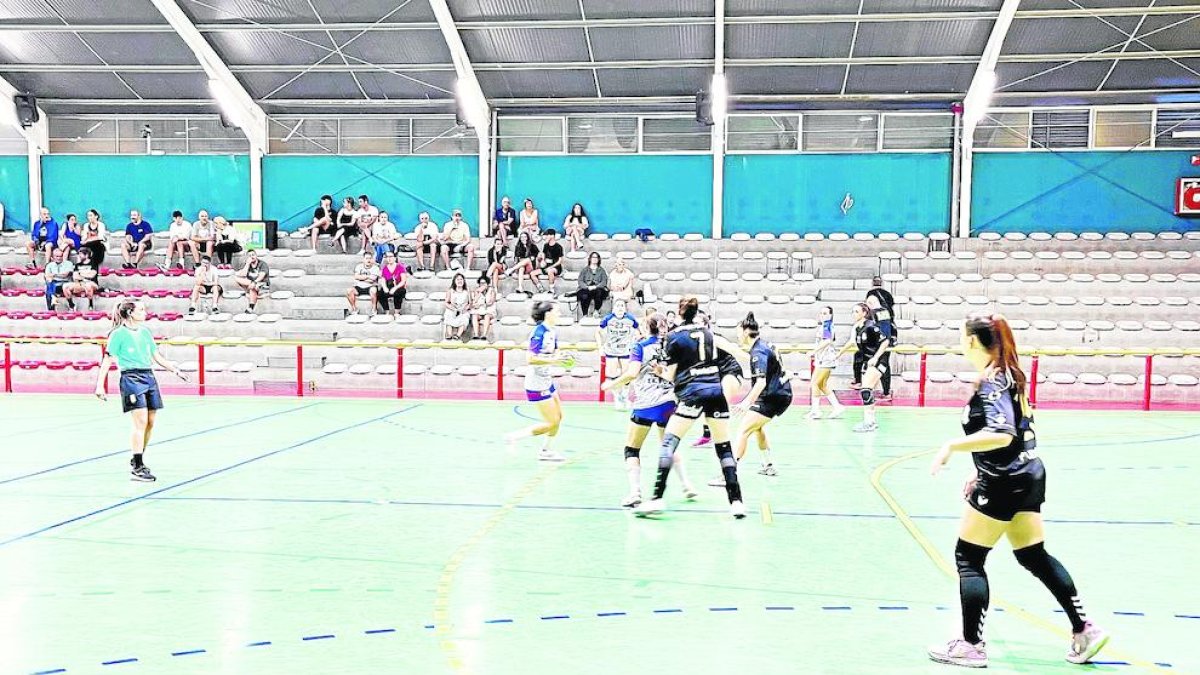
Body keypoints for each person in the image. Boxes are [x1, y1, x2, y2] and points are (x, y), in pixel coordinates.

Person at [927, 313, 1108, 669]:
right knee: (1032, 555)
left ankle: (970, 646)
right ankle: (1085, 629)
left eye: (962, 336)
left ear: (972, 341)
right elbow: (1013, 436)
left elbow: (1002, 433)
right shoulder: (1010, 375)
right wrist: (978, 468)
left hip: (1004, 482)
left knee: (969, 558)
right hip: (1027, 475)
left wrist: (951, 447)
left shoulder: (991, 381)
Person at [634, 297, 748, 519]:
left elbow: (670, 375)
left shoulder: (674, 337)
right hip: (715, 390)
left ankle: (656, 498)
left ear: (679, 313)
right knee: (724, 447)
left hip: (692, 393)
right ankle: (736, 502)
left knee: (668, 442)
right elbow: (731, 350)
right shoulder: (708, 333)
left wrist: (658, 370)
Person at [603, 315, 697, 508]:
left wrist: (611, 384)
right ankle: (686, 485)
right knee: (668, 445)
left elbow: (632, 373)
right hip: (668, 402)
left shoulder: (639, 346)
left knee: (632, 449)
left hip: (645, 404)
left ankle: (635, 492)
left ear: (646, 328)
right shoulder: (670, 346)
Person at [95, 299, 187, 482]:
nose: (145, 313)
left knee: (150, 422)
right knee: (140, 421)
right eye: (141, 310)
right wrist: (100, 385)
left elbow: (156, 356)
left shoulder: (145, 332)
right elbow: (107, 360)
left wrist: (175, 370)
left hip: (148, 377)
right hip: (131, 378)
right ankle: (138, 466)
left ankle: (137, 455)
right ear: (130, 313)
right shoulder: (118, 334)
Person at [506, 301, 574, 462]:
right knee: (551, 422)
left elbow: (555, 353)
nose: (559, 314)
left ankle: (546, 450)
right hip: (536, 383)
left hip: (547, 380)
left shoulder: (552, 332)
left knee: (559, 417)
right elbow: (531, 359)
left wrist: (564, 358)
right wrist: (554, 360)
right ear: (548, 314)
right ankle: (514, 437)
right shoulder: (539, 332)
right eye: (557, 311)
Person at [730, 312, 792, 477]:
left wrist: (745, 404)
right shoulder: (765, 345)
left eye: (738, 331)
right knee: (757, 427)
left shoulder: (758, 352)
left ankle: (729, 474)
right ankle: (768, 465)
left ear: (745, 331)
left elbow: (760, 382)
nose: (737, 335)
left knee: (743, 430)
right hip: (780, 392)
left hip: (773, 396)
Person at [837, 302, 889, 433]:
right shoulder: (857, 328)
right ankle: (870, 421)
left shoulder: (871, 326)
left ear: (864, 313)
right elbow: (851, 342)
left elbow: (885, 341)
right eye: (853, 312)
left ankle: (869, 422)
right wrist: (838, 354)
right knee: (866, 390)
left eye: (856, 311)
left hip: (879, 361)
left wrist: (875, 357)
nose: (854, 314)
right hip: (868, 361)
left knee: (866, 389)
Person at [597, 298, 639, 410]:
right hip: (611, 350)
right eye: (617, 306)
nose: (620, 308)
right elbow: (597, 332)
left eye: (622, 306)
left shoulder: (630, 319)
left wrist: (635, 341)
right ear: (613, 308)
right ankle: (617, 398)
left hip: (625, 350)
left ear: (625, 309)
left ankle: (624, 396)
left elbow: (639, 331)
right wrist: (600, 347)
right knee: (612, 375)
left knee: (626, 375)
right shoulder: (608, 319)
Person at [808, 305, 845, 420]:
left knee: (815, 383)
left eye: (825, 313)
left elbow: (827, 341)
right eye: (821, 313)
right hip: (823, 359)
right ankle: (837, 406)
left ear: (831, 315)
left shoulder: (827, 326)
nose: (822, 315)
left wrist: (814, 351)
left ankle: (815, 411)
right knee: (822, 385)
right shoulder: (825, 326)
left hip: (826, 360)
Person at [865, 276, 898, 401]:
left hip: (881, 340)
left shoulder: (880, 311)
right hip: (880, 337)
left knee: (883, 364)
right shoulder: (887, 294)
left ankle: (886, 392)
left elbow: (885, 333)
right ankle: (874, 389)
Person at [507, 230, 544, 296]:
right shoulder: (518, 247)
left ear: (527, 238)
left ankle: (511, 269)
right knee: (521, 267)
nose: (523, 238)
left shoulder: (533, 246)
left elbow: (538, 255)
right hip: (522, 267)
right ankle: (520, 287)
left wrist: (534, 258)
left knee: (527, 259)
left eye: (525, 237)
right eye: (522, 237)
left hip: (532, 266)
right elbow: (516, 259)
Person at [234, 249, 270, 313]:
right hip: (252, 284)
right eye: (249, 256)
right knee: (237, 279)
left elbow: (261, 276)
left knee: (253, 286)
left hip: (262, 285)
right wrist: (247, 264)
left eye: (253, 255)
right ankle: (249, 290)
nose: (252, 257)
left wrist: (254, 282)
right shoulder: (247, 264)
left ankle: (251, 307)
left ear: (256, 255)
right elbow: (242, 275)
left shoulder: (262, 264)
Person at [576, 251, 608, 317]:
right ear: (590, 259)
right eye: (593, 257)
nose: (594, 259)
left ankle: (596, 311)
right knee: (584, 295)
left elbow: (604, 282)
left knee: (599, 293)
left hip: (597, 288)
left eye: (596, 257)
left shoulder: (602, 270)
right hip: (587, 288)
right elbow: (580, 281)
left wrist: (596, 286)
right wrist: (587, 287)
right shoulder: (585, 270)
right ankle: (585, 314)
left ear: (598, 259)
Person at [377, 251, 408, 316]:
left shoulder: (400, 267)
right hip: (389, 286)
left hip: (399, 286)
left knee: (399, 292)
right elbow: (383, 280)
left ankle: (396, 312)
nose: (389, 258)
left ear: (394, 258)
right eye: (387, 257)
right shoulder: (385, 268)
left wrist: (395, 288)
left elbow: (403, 281)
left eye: (391, 256)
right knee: (380, 294)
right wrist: (385, 288)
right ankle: (387, 312)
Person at [442, 273, 472, 341]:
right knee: (448, 314)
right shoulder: (451, 290)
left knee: (465, 317)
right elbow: (446, 303)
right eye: (458, 279)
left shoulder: (467, 290)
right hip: (453, 309)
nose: (459, 281)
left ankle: (458, 335)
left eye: (461, 279)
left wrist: (465, 308)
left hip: (463, 310)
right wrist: (453, 308)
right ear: (454, 281)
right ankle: (449, 334)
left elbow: (470, 303)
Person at [470, 276, 497, 341]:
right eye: (481, 283)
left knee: (487, 316)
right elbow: (474, 302)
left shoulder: (492, 291)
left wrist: (482, 304)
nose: (482, 285)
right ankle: (476, 335)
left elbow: (491, 302)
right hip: (479, 310)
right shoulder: (476, 290)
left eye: (484, 283)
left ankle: (484, 335)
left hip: (489, 310)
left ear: (487, 284)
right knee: (474, 316)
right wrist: (479, 293)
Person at [538, 229, 565, 294]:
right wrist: (542, 260)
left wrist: (551, 267)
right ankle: (540, 287)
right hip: (547, 265)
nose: (546, 237)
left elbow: (560, 261)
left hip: (556, 267)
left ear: (552, 236)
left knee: (550, 271)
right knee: (532, 273)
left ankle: (551, 289)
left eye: (547, 235)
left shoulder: (559, 247)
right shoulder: (545, 245)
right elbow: (544, 255)